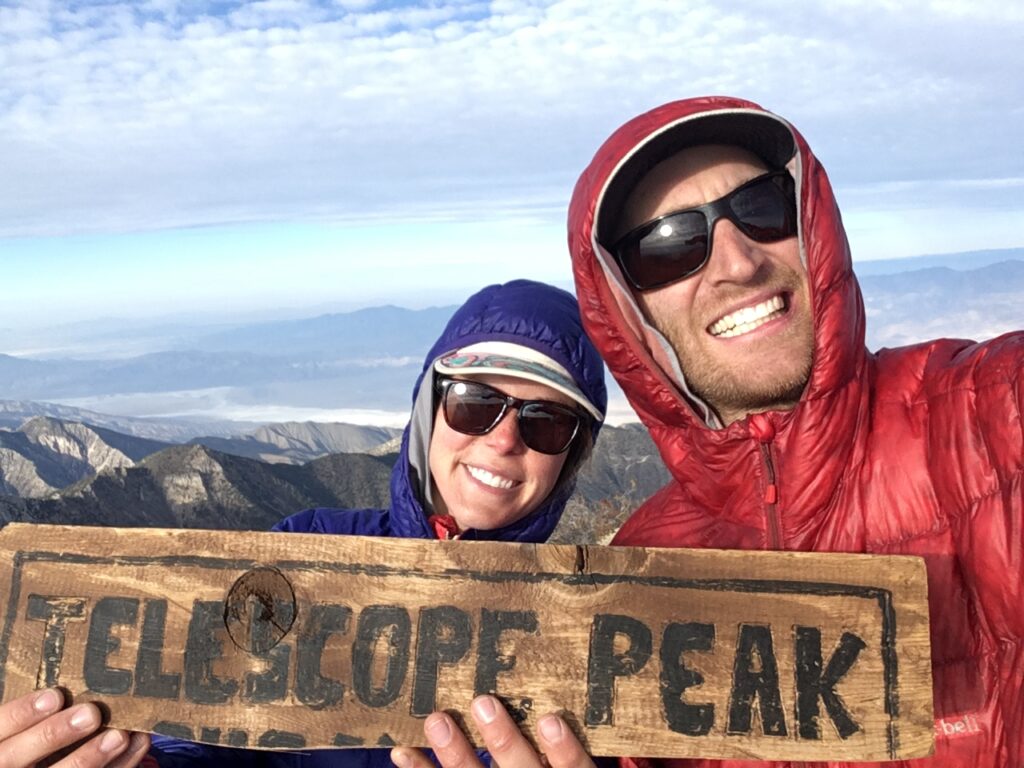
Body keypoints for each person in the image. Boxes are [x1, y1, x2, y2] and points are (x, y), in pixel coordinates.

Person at [404, 96, 1024, 768]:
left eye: (763, 208)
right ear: (627, 312)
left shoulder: (994, 414)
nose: (737, 260)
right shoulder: (641, 568)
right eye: (668, 248)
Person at [138, 278, 606, 767]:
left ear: (570, 458)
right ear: (429, 411)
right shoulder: (308, 548)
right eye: (475, 404)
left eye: (547, 422)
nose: (505, 439)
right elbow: (207, 714)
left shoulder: (595, 625)